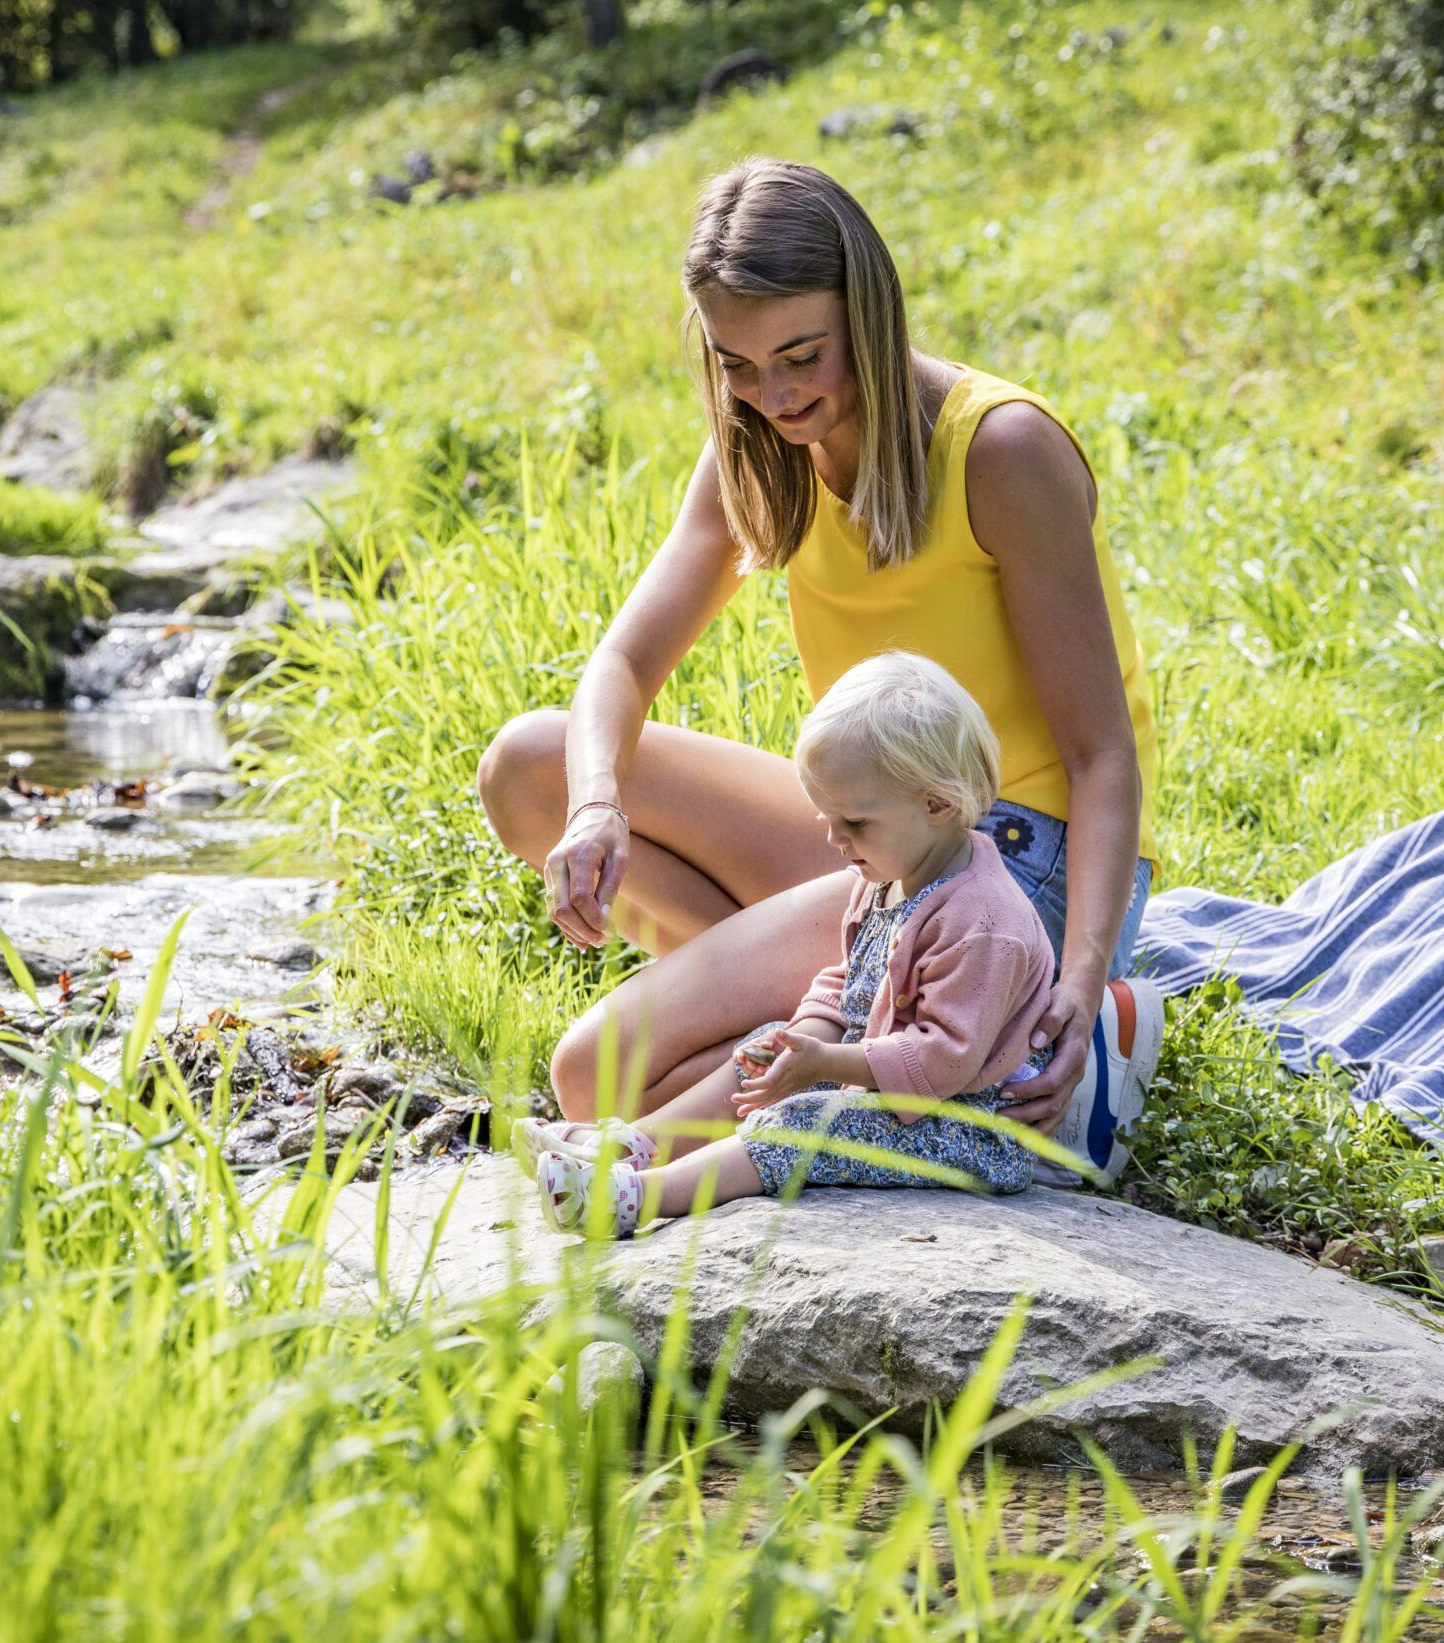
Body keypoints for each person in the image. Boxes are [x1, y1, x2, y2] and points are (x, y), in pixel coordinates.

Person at [477, 156, 1163, 1184]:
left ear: (868, 314)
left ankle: (1009, 1027)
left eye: (802, 355)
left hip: (1012, 862)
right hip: (869, 843)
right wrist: (592, 809)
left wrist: (1078, 973)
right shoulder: (759, 446)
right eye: (738, 366)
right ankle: (880, 1026)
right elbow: (621, 661)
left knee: (599, 1088)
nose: (776, 395)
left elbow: (1101, 753)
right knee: (532, 766)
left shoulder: (1001, 451)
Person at [511, 654, 1059, 1235]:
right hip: (895, 1089)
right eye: (826, 817)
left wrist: (826, 1063)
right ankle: (633, 1145)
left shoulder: (983, 922)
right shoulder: (888, 877)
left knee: (806, 1121)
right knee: (758, 1054)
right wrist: (801, 1039)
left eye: (854, 821)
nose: (833, 838)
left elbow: (947, 1057)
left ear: (938, 805)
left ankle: (635, 1198)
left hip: (968, 1125)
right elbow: (848, 982)